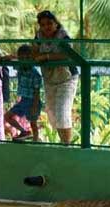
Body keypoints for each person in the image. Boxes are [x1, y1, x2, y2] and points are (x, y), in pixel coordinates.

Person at [33, 10, 79, 144]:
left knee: (62, 112)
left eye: (49, 23)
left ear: (55, 23)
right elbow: (34, 51)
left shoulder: (63, 36)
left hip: (66, 78)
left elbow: (68, 54)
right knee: (52, 113)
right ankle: (63, 142)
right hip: (49, 79)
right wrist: (36, 55)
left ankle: (67, 146)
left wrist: (47, 57)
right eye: (42, 25)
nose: (46, 27)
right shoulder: (39, 36)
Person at [5, 45, 43, 142]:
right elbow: (9, 61)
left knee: (33, 123)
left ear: (32, 58)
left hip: (33, 101)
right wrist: (10, 57)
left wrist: (34, 106)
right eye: (22, 58)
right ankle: (24, 132)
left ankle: (35, 141)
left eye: (27, 58)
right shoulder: (20, 67)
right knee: (7, 116)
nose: (25, 60)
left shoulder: (35, 74)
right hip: (23, 100)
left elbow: (37, 91)